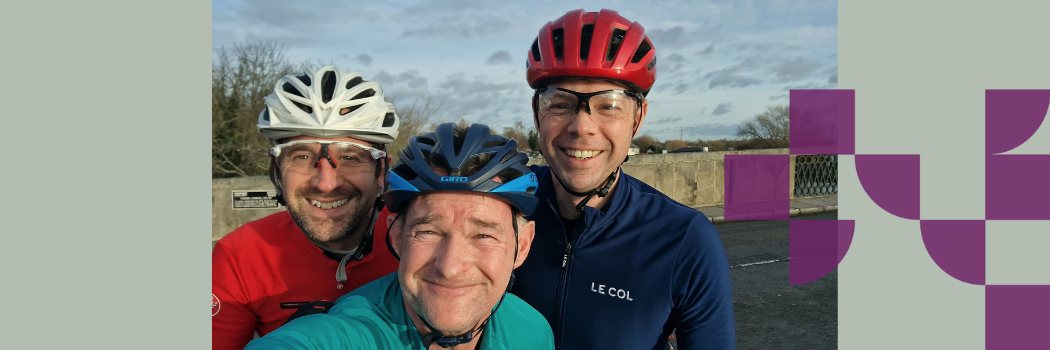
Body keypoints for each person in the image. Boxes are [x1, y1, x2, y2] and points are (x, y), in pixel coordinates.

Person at [510, 9, 736, 349]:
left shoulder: (685, 239)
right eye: (560, 103)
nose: (581, 126)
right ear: (536, 113)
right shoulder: (502, 203)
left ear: (637, 117)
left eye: (608, 105)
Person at [245, 123, 554, 350]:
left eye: (483, 235)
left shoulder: (532, 330)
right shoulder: (345, 335)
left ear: (522, 245)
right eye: (429, 232)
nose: (450, 266)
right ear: (396, 238)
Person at [212, 66, 401, 350]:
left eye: (350, 157)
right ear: (277, 170)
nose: (326, 184)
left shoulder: (423, 244)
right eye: (302, 156)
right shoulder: (239, 257)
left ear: (381, 171)